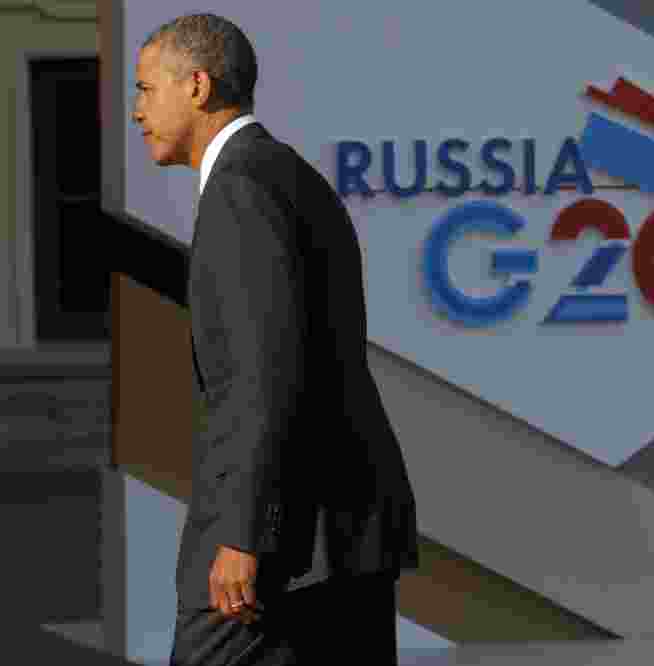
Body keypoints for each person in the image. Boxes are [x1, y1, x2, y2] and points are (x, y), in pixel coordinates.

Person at [131, 13, 419, 665]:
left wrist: (241, 534)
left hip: (279, 552)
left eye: (146, 89)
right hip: (340, 536)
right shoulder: (288, 175)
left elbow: (261, 376)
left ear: (197, 87)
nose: (136, 110)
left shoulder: (239, 191)